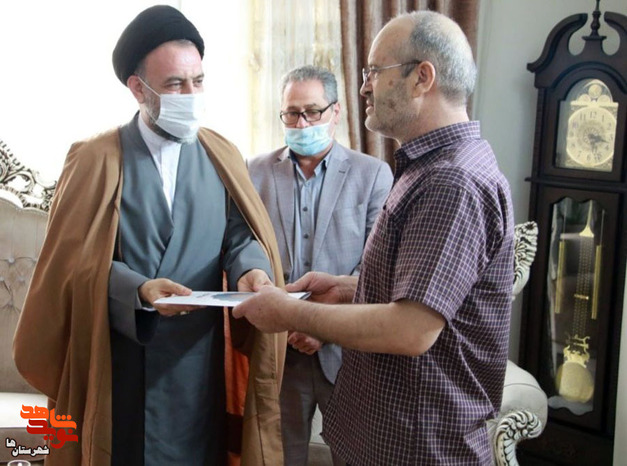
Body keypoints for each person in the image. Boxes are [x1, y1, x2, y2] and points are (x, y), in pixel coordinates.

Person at [234, 10, 514, 465]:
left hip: (418, 445)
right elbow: (423, 289)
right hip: (392, 435)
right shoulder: (426, 169)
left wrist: (289, 313)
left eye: (374, 72)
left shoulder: (451, 181)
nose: (364, 87)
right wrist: (348, 288)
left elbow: (411, 329)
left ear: (422, 78)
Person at [13, 5, 286, 466]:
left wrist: (251, 270)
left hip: (197, 364)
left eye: (198, 81)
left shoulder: (220, 153)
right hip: (120, 361)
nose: (191, 95)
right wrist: (137, 290)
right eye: (175, 84)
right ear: (138, 88)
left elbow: (240, 236)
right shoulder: (95, 159)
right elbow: (71, 267)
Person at [248, 65, 393, 466]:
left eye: (312, 111)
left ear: (335, 112)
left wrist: (321, 325)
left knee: (358, 456)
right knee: (281, 456)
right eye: (292, 113)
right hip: (281, 346)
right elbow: (244, 244)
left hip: (347, 349)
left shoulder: (372, 174)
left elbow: (377, 266)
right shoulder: (254, 171)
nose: (302, 123)